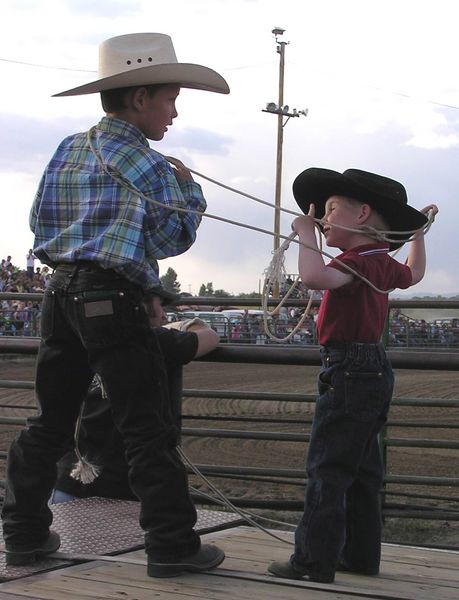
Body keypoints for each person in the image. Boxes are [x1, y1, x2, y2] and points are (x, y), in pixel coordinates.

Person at [1, 32, 229, 578]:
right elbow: (175, 238)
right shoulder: (149, 166)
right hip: (112, 298)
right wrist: (190, 192)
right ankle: (172, 545)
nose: (174, 111)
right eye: (171, 97)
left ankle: (24, 535)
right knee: (145, 425)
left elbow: (38, 224)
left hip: (60, 293)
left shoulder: (68, 148)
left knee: (49, 421)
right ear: (139, 98)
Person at [268, 168, 438, 584]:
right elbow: (415, 274)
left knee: (327, 468)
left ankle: (311, 562)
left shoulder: (356, 262)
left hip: (347, 369)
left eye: (329, 210)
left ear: (361, 215)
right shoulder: (380, 263)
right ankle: (361, 556)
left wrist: (304, 233)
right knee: (362, 471)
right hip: (374, 368)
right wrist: (417, 234)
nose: (322, 218)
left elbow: (313, 277)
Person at [51, 308, 219, 503]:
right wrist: (177, 327)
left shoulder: (80, 339)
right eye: (159, 306)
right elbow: (210, 337)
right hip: (121, 486)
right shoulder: (154, 341)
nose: (164, 315)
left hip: (69, 477)